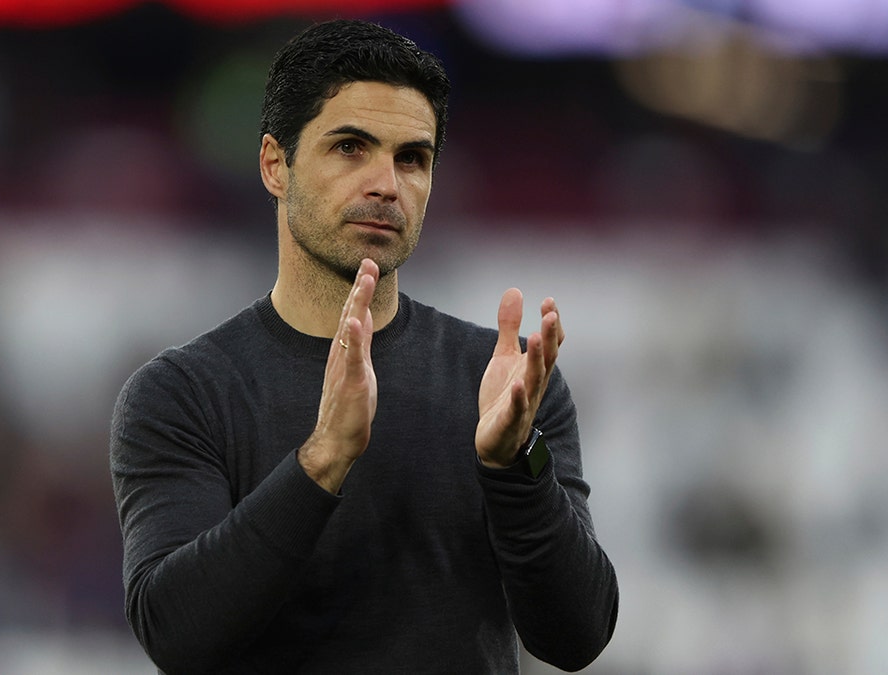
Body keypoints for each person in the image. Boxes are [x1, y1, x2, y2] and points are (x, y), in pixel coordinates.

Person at [110, 18, 618, 674]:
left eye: (412, 157)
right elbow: (176, 634)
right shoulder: (185, 392)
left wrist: (516, 464)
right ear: (275, 164)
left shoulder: (501, 383)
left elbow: (576, 637)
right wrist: (324, 460)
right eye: (351, 147)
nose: (386, 183)